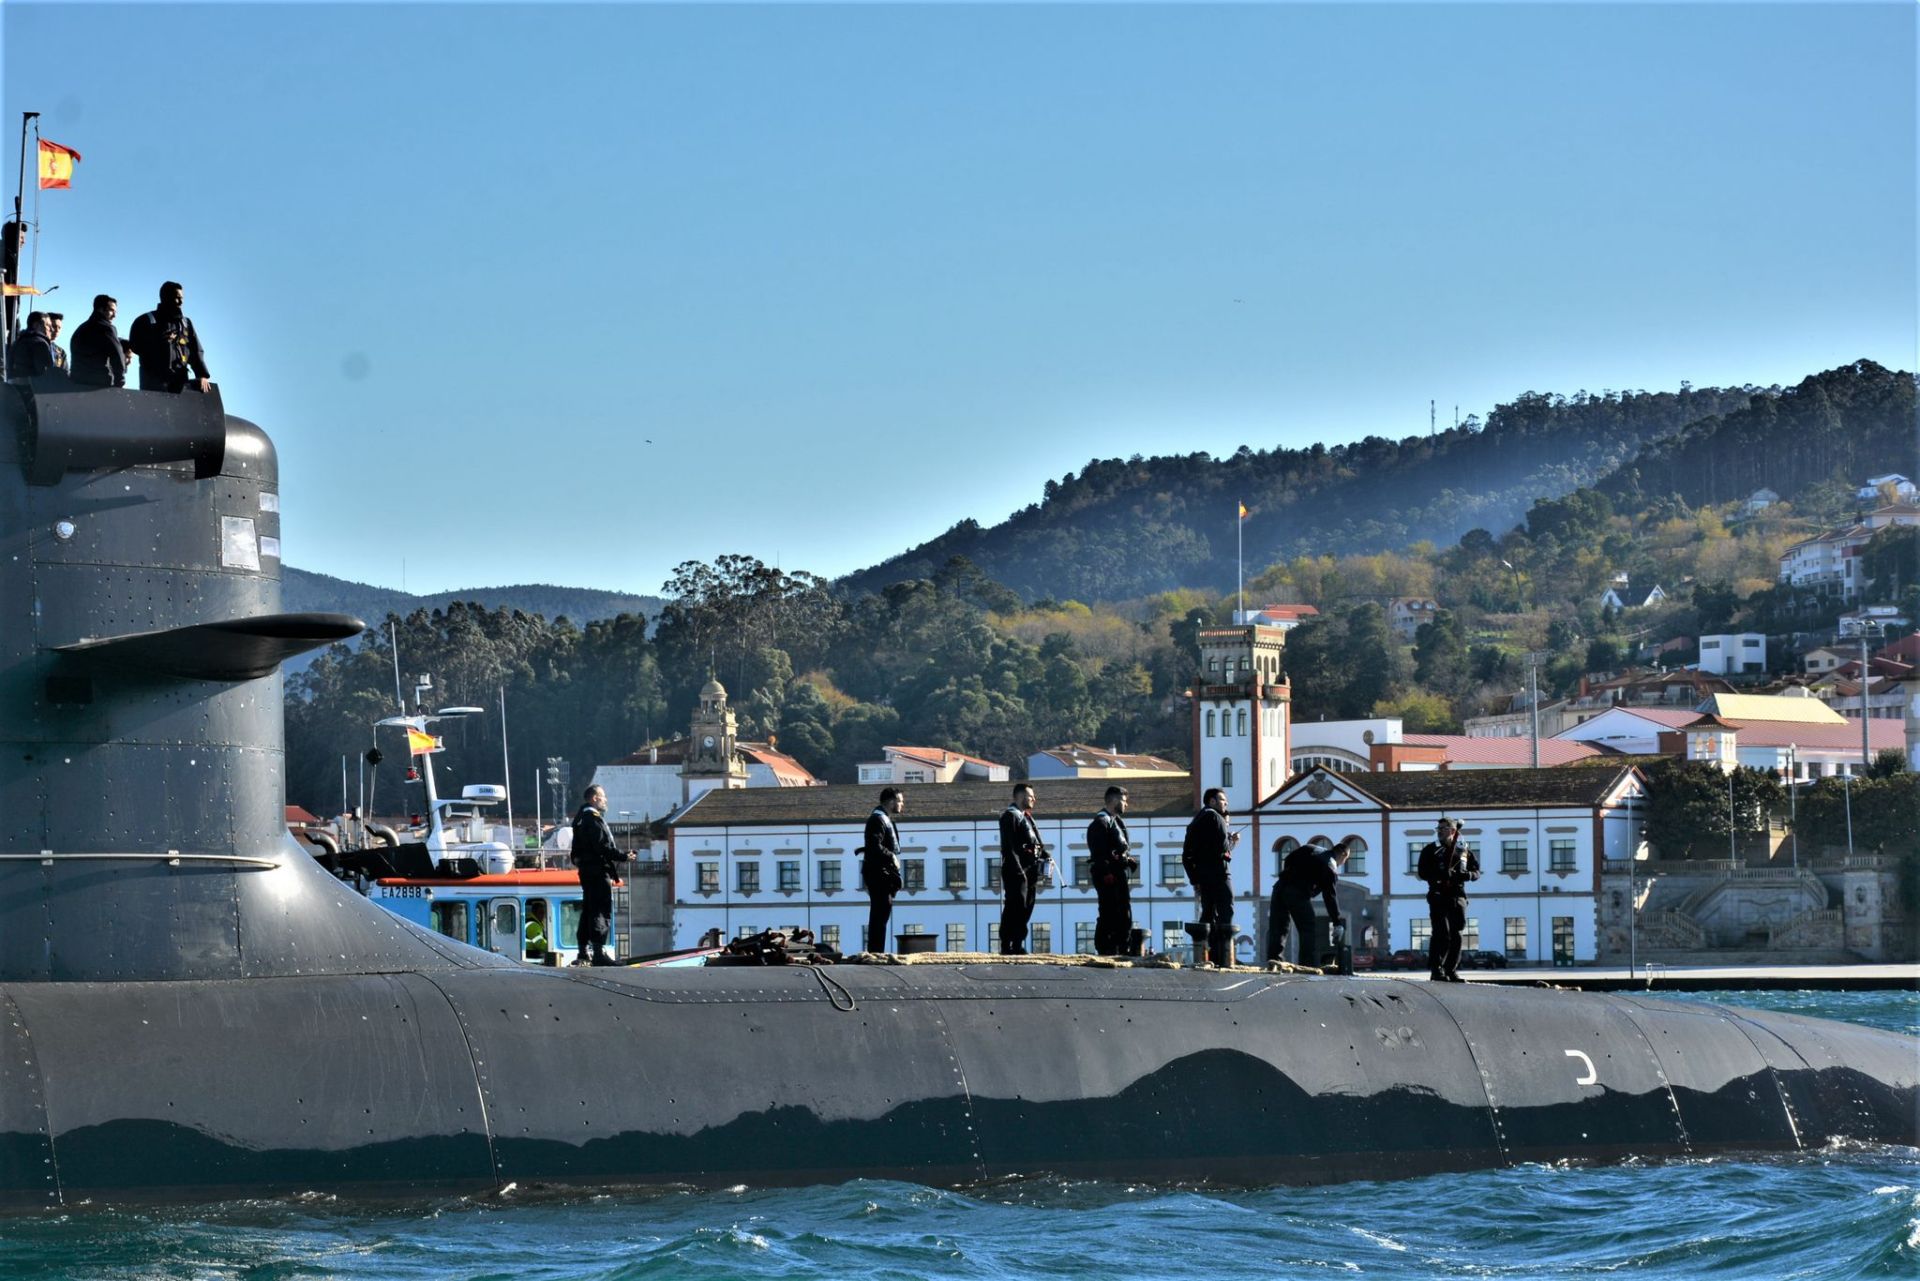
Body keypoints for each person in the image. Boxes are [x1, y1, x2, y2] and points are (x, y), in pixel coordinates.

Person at [1267, 840, 1349, 967]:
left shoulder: (1311, 848)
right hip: (1297, 892)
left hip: (1280, 887)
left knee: (1279, 927)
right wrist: (1337, 922)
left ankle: (1274, 962)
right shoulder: (1330, 865)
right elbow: (1330, 897)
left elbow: (1288, 859)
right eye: (1345, 860)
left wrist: (1290, 877)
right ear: (1343, 855)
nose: (1343, 863)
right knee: (1308, 928)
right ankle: (1306, 966)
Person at [1417, 818, 1480, 982]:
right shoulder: (1430, 850)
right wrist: (1439, 875)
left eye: (1444, 828)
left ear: (1453, 831)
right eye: (1438, 828)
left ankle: (1451, 969)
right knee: (1441, 933)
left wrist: (1468, 875)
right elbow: (1422, 872)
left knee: (1456, 934)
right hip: (1438, 895)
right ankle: (1436, 969)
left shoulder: (1463, 850)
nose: (1439, 831)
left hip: (1457, 896)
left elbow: (1476, 871)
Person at [1181, 787, 1238, 965]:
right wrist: (1232, 840)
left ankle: (1207, 953)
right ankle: (1223, 954)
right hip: (1219, 873)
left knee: (1208, 913)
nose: (1226, 804)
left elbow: (1186, 855)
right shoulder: (1215, 817)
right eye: (1223, 801)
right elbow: (1223, 848)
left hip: (1203, 875)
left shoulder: (1196, 819)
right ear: (1212, 801)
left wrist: (1195, 879)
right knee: (1226, 910)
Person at [569, 785, 620, 966]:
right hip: (598, 870)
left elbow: (577, 849)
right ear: (595, 798)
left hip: (586, 870)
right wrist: (622, 856)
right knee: (600, 909)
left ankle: (583, 951)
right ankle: (598, 952)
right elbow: (601, 847)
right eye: (603, 797)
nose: (605, 800)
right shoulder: (593, 819)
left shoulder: (579, 819)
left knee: (588, 910)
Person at [128, 281, 211, 393]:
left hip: (180, 382)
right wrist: (160, 342)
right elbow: (135, 346)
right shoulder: (146, 320)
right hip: (153, 382)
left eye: (182, 298)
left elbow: (196, 351)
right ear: (165, 298)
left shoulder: (186, 323)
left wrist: (202, 375)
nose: (181, 301)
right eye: (177, 298)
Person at [997, 783, 1048, 954]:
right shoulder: (1010, 817)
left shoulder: (1027, 817)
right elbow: (1009, 847)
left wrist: (1045, 856)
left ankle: (1018, 942)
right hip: (1016, 869)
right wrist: (1018, 870)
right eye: (1030, 796)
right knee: (1014, 904)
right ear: (1019, 797)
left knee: (1027, 905)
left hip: (1030, 868)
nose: (1034, 799)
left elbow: (1036, 843)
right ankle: (1007, 943)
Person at [1086, 786, 1135, 955]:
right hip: (1108, 874)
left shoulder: (1117, 822)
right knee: (1108, 910)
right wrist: (1106, 872)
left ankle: (1121, 944)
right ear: (1114, 801)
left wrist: (1127, 859)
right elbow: (1099, 851)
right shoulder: (1100, 823)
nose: (1126, 805)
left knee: (1123, 910)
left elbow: (1119, 847)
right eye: (1123, 801)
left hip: (1118, 873)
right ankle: (1105, 946)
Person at [861, 787, 905, 953]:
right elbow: (873, 845)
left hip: (883, 873)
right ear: (891, 801)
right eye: (900, 801)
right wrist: (891, 856)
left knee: (882, 912)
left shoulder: (884, 819)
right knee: (879, 913)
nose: (902, 805)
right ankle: (875, 951)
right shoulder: (877, 820)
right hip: (878, 873)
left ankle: (877, 950)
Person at [69, 295, 129, 388]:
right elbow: (117, 354)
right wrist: (120, 381)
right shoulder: (106, 328)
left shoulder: (81, 329)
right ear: (100, 309)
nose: (114, 315)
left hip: (77, 383)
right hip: (100, 384)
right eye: (111, 310)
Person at [6, 311, 60, 380]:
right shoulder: (39, 344)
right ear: (36, 325)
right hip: (32, 389)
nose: (52, 329)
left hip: (15, 388)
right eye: (48, 325)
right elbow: (46, 375)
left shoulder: (16, 343)